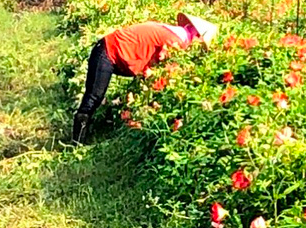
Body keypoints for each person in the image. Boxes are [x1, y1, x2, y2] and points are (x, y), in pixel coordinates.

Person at [71, 12, 218, 143]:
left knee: (95, 96)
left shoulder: (174, 33)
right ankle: (76, 144)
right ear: (197, 37)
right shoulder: (177, 41)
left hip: (109, 49)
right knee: (94, 97)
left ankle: (83, 137)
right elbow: (167, 70)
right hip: (108, 51)